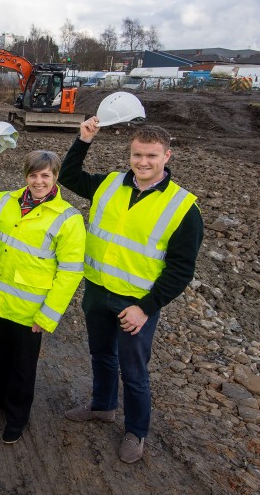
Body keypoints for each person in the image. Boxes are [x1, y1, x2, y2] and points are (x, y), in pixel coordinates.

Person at [58, 119, 203, 464]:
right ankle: (103, 406)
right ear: (130, 154)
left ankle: (136, 431)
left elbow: (181, 269)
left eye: (151, 155)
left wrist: (146, 307)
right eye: (138, 154)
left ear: (166, 156)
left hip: (136, 303)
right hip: (97, 290)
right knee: (101, 355)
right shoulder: (110, 184)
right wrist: (83, 140)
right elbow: (69, 176)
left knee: (134, 370)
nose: (143, 162)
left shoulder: (183, 208)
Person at [0, 150, 86, 444]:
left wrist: (48, 315)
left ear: (55, 177)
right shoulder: (5, 201)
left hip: (31, 310)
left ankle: (17, 417)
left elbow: (70, 272)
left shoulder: (68, 219)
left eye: (45, 175)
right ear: (25, 176)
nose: (39, 181)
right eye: (33, 175)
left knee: (22, 368)